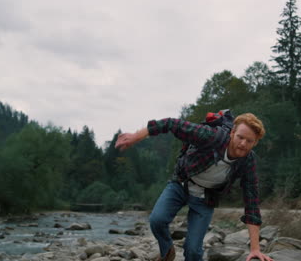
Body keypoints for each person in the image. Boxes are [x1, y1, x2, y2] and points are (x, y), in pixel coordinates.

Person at [115, 112, 273, 261]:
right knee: (157, 220)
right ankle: (167, 251)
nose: (243, 144)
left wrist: (255, 249)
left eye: (249, 141)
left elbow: (251, 201)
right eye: (240, 137)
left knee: (193, 250)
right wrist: (136, 137)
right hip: (181, 184)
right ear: (232, 133)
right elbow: (172, 124)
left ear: (255, 142)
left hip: (205, 198)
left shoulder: (248, 161)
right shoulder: (212, 137)